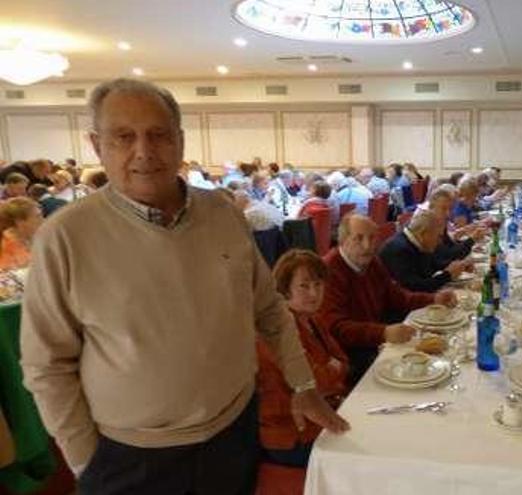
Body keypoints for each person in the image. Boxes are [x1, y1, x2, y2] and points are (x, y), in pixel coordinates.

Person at [20, 78, 347, 495]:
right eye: (124, 137)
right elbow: (47, 365)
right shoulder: (65, 235)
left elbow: (269, 311)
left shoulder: (223, 214)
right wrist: (88, 462)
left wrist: (303, 386)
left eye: (159, 134)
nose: (144, 151)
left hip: (234, 433)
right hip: (132, 456)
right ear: (97, 145)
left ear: (180, 141)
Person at [318, 214, 457, 383]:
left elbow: (398, 298)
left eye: (372, 238)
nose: (367, 246)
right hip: (351, 355)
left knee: (444, 357)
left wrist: (434, 298)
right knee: (425, 372)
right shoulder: (328, 271)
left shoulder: (372, 263)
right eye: (359, 239)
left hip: (375, 343)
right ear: (343, 240)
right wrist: (383, 333)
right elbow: (336, 328)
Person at [257, 250, 350, 468]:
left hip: (321, 415)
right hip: (292, 436)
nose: (314, 293)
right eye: (304, 286)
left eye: (318, 285)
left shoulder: (312, 320)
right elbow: (317, 381)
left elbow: (343, 362)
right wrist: (331, 369)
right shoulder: (279, 329)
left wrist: (331, 369)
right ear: (284, 289)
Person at [379, 209, 471, 292]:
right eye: (438, 236)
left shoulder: (418, 242)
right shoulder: (399, 250)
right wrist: (447, 275)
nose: (440, 242)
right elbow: (416, 287)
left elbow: (433, 264)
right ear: (424, 233)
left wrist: (458, 266)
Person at [0, 197, 43, 270]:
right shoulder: (4, 247)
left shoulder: (37, 239)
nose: (42, 220)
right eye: (37, 216)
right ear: (19, 222)